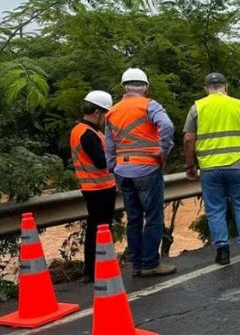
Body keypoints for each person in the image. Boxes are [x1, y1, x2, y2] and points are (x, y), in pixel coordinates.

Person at [183, 73, 240, 265]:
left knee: (215, 209)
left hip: (210, 168)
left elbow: (188, 139)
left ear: (206, 89)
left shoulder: (197, 107)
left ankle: (222, 251)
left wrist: (190, 165)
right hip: (238, 165)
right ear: (226, 86)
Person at [105, 67, 176, 277]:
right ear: (146, 87)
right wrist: (163, 151)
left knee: (134, 219)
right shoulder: (149, 105)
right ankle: (151, 263)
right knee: (153, 217)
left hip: (122, 171)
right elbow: (167, 126)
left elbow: (109, 148)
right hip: (147, 168)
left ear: (123, 87)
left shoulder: (112, 111)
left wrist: (113, 169)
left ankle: (136, 265)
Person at [70, 91, 117, 283]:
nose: (106, 118)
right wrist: (115, 156)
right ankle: (96, 269)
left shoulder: (80, 130)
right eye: (105, 114)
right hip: (100, 189)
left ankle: (93, 269)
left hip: (94, 188)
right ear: (97, 112)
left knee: (94, 229)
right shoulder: (88, 134)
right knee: (101, 230)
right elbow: (100, 161)